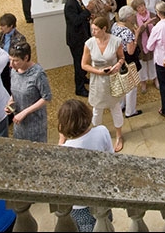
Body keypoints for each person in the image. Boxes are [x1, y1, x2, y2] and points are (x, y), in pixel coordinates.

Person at [57, 99, 115, 232]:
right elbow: (111, 159)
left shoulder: (67, 148)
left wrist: (61, 138)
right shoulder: (102, 131)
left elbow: (58, 164)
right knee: (106, 223)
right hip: (102, 193)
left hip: (80, 204)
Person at [82, 16, 126, 153]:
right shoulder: (89, 44)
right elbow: (84, 65)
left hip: (112, 79)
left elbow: (122, 58)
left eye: (95, 29)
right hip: (97, 79)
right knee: (97, 109)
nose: (93, 32)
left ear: (104, 29)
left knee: (115, 107)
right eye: (92, 29)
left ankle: (119, 136)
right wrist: (98, 71)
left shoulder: (115, 41)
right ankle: (96, 136)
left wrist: (118, 65)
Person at [7, 41, 52, 143]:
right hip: (19, 123)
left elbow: (46, 97)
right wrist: (10, 103)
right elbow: (15, 90)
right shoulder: (14, 71)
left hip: (35, 124)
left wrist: (25, 112)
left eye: (15, 60)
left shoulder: (38, 74)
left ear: (26, 58)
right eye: (10, 60)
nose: (11, 64)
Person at [111, 5, 142, 119]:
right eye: (133, 15)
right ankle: (130, 110)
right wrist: (137, 34)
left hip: (118, 57)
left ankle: (122, 104)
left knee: (122, 82)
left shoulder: (115, 26)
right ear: (129, 17)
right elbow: (131, 51)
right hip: (128, 59)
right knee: (131, 85)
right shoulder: (127, 32)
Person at [146, 2, 165, 118]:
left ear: (158, 13)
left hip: (161, 59)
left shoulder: (157, 27)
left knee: (164, 85)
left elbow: (149, 46)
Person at [64, 0, 91, 97]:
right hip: (76, 39)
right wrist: (88, 11)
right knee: (79, 63)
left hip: (82, 36)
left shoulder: (77, 2)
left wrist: (87, 15)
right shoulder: (70, 4)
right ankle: (79, 88)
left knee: (83, 60)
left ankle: (83, 77)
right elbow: (75, 21)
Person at [132, 0, 159, 94]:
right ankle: (143, 81)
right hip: (141, 45)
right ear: (136, 9)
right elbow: (137, 32)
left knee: (152, 61)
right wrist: (146, 24)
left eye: (142, 6)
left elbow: (157, 28)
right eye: (139, 7)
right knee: (142, 63)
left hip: (152, 44)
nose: (142, 8)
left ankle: (155, 78)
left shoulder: (152, 15)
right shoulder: (134, 19)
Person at [0, 13, 26, 94]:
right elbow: (0, 46)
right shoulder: (2, 34)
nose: (1, 28)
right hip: (3, 62)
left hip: (12, 64)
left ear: (11, 26)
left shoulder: (20, 38)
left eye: (3, 26)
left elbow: (19, 55)